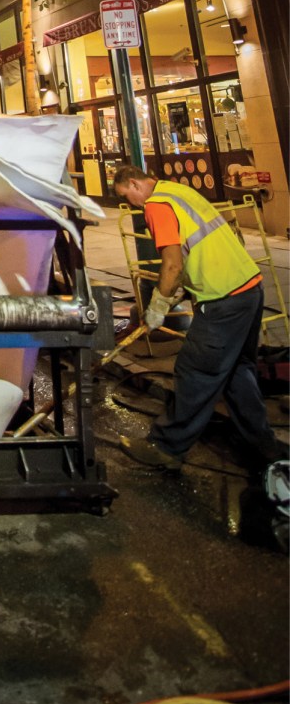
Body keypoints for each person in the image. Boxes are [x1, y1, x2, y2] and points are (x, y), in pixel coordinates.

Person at [112, 165, 285, 473]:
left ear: (136, 184)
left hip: (222, 299)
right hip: (248, 287)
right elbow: (198, 248)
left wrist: (158, 305)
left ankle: (166, 447)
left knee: (195, 372)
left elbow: (172, 264)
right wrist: (184, 289)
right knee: (236, 372)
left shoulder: (157, 205)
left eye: (129, 197)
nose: (134, 206)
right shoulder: (178, 191)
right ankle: (264, 446)